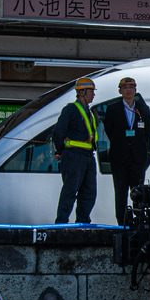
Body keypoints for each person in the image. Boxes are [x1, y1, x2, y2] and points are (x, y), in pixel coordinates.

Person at [102, 76, 150, 226]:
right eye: (125, 88)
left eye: (131, 88)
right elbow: (109, 129)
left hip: (137, 158)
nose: (128, 90)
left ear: (135, 90)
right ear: (120, 91)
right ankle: (122, 222)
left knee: (138, 192)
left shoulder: (143, 109)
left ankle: (137, 222)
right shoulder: (113, 109)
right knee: (120, 192)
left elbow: (148, 130)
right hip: (120, 157)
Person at [52, 77, 100, 224]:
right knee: (70, 191)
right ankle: (61, 222)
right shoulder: (71, 110)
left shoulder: (90, 112)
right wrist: (61, 150)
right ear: (82, 92)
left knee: (89, 192)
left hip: (88, 156)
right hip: (74, 155)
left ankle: (83, 221)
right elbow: (58, 132)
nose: (93, 94)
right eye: (91, 91)